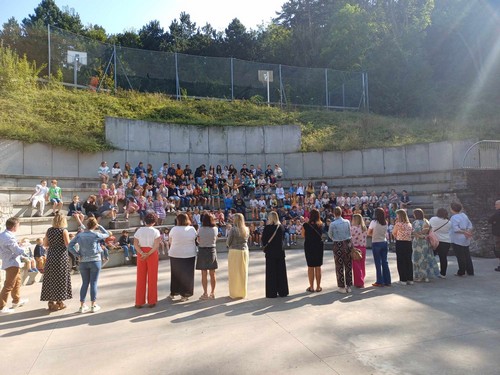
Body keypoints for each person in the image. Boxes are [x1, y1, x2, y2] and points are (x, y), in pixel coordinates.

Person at [68, 217, 110, 313]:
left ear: (87, 225)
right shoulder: (96, 234)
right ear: (95, 225)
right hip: (95, 260)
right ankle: (93, 305)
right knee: (93, 283)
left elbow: (70, 246)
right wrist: (100, 226)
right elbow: (107, 234)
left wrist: (77, 254)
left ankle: (82, 306)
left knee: (85, 283)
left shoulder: (80, 235)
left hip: (83, 261)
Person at [40, 213, 72, 311]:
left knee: (50, 278)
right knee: (61, 278)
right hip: (61, 257)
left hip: (51, 256)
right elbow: (67, 244)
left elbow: (45, 244)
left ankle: (50, 302)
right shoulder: (64, 231)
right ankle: (59, 302)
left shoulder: (49, 231)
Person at [0, 218, 29, 313]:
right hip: (12, 263)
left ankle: (16, 301)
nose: (18, 227)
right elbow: (17, 251)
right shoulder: (10, 237)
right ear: (13, 227)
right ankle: (1, 306)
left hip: (9, 262)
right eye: (17, 225)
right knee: (9, 284)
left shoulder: (3, 235)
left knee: (17, 282)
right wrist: (24, 246)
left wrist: (18, 244)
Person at [133, 213, 161, 308]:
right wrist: (148, 254)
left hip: (141, 253)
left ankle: (139, 302)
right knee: (152, 277)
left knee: (140, 277)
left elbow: (135, 244)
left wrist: (142, 253)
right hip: (152, 253)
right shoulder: (156, 231)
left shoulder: (139, 230)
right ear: (154, 222)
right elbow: (156, 245)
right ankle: (152, 301)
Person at [168, 213, 197, 302]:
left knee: (175, 274)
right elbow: (195, 239)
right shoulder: (192, 229)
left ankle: (174, 292)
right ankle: (185, 294)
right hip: (189, 254)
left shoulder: (174, 229)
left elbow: (170, 241)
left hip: (175, 253)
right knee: (188, 275)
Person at [262, 211, 289, 298]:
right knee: (281, 272)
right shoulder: (281, 227)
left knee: (271, 273)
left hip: (270, 253)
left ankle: (271, 292)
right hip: (280, 252)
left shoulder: (267, 228)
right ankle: (283, 291)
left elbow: (264, 240)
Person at [328, 206, 353, 293]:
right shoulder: (347, 222)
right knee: (348, 265)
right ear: (341, 212)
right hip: (347, 243)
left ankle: (341, 287)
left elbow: (330, 235)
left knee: (339, 266)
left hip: (337, 244)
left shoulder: (333, 224)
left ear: (334, 213)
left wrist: (335, 238)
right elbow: (350, 233)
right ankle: (349, 286)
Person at [412, 208, 440, 282]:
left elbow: (414, 233)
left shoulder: (415, 222)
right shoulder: (426, 221)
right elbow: (427, 231)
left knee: (418, 259)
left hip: (418, 242)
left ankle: (420, 276)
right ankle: (426, 276)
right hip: (426, 242)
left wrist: (419, 235)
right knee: (425, 258)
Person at [226, 213, 250, 299]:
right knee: (243, 272)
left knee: (234, 273)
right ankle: (242, 292)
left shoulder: (233, 229)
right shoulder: (246, 229)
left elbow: (228, 241)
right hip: (244, 251)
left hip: (234, 251)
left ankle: (234, 293)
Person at [196, 213, 219, 300]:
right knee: (212, 273)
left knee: (204, 273)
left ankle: (205, 293)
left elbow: (198, 240)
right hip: (211, 250)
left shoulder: (200, 229)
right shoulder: (215, 229)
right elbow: (215, 239)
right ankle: (212, 293)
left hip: (202, 250)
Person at [367, 207, 391, 287]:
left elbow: (368, 233)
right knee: (385, 262)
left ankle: (379, 281)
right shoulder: (386, 222)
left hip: (376, 242)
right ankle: (387, 280)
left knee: (378, 263)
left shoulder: (373, 222)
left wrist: (374, 234)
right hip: (384, 242)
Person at [301, 208, 324, 292]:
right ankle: (318, 286)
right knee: (318, 266)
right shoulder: (321, 224)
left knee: (310, 266)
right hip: (318, 245)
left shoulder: (306, 225)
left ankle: (311, 287)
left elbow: (303, 235)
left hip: (309, 245)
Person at [449, 202, 474, 277]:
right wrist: (468, 231)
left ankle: (461, 271)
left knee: (460, 256)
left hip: (457, 238)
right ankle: (470, 270)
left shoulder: (454, 217)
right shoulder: (464, 215)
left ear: (453, 209)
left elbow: (455, 229)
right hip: (465, 237)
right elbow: (470, 225)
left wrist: (463, 232)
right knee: (467, 254)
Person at [392, 209, 414, 285]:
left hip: (400, 242)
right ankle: (410, 278)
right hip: (408, 242)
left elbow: (393, 232)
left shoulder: (398, 224)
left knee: (401, 261)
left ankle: (403, 279)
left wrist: (397, 236)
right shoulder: (409, 224)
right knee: (408, 261)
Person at [429, 208, 452, 278]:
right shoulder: (449, 222)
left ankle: (430, 271)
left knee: (431, 256)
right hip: (446, 241)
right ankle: (443, 273)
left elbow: (429, 227)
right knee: (443, 258)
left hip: (434, 240)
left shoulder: (433, 219)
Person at [350, 213, 367, 288]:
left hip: (356, 248)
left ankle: (359, 282)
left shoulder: (353, 228)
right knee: (362, 264)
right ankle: (362, 278)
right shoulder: (364, 228)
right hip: (363, 247)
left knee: (356, 266)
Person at [487, 200, 500, 271]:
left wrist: (494, 223)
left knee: (498, 249)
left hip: (498, 234)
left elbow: (490, 220)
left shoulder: (497, 213)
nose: (495, 206)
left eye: (496, 204)